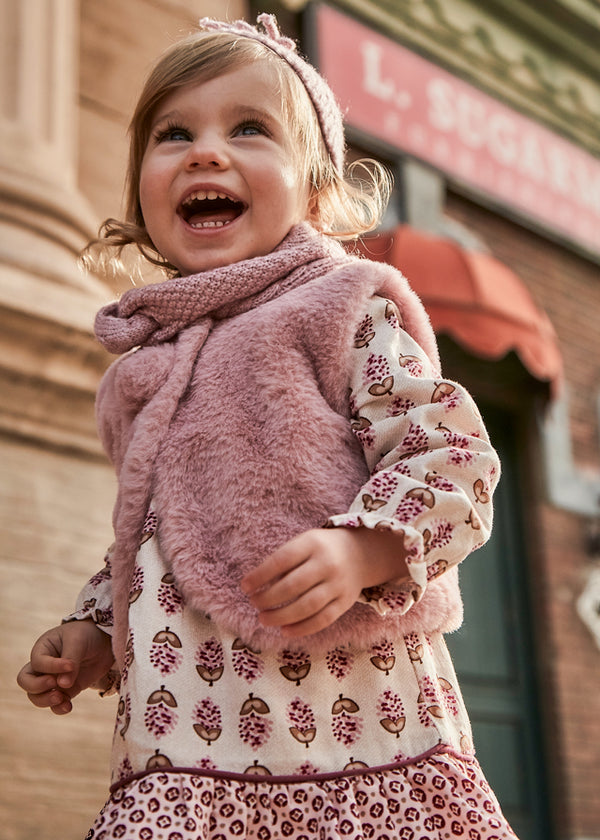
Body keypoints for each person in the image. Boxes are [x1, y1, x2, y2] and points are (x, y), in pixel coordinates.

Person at [17, 14, 517, 839]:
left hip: (356, 731)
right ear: (141, 192)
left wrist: (367, 548)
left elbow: (454, 459)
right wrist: (98, 628)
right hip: (183, 746)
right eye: (173, 133)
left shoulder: (341, 308)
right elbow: (155, 528)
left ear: (317, 192)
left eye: (250, 128)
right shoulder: (146, 364)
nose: (205, 152)